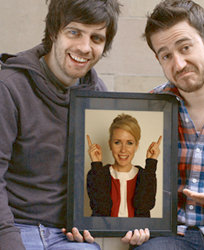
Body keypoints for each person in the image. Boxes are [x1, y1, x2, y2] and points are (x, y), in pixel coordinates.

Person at [0, 0, 121, 249]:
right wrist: (7, 239)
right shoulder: (9, 87)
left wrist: (96, 222)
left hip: (67, 237)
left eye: (96, 38)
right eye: (74, 32)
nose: (85, 47)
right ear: (55, 31)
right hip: (14, 228)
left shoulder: (98, 95)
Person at [135, 0, 204, 249]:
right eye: (166, 55)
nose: (178, 64)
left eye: (185, 47)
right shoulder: (149, 108)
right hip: (167, 236)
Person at [87, 113, 162, 218]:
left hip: (137, 233)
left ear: (136, 146)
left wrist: (151, 163)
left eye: (129, 143)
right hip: (106, 234)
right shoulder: (97, 173)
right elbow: (99, 208)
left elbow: (145, 206)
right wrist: (96, 165)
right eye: (117, 142)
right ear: (110, 144)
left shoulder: (145, 175)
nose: (123, 150)